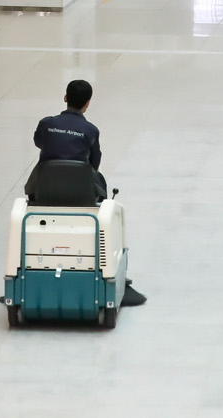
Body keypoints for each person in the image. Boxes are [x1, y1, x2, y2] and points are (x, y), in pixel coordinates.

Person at [30, 80, 144, 306]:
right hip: (80, 194)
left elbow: (38, 142)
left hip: (43, 191)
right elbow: (94, 163)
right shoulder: (91, 130)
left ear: (65, 98)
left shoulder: (46, 124)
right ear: (88, 103)